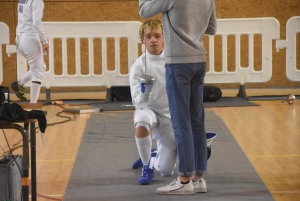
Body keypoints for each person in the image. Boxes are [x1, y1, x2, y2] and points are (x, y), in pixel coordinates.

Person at [138, 0, 217, 195]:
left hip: (178, 64)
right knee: (197, 121)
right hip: (199, 61)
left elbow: (143, 10)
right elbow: (212, 28)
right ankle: (199, 179)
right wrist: (191, 27)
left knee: (181, 122)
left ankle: (184, 180)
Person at [129, 18, 177, 185]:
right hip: (149, 112)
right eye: (148, 36)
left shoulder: (173, 61)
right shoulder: (138, 66)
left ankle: (154, 156)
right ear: (143, 39)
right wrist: (146, 91)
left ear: (164, 37)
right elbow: (138, 103)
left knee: (166, 171)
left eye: (157, 35)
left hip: (169, 116)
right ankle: (146, 166)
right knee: (140, 119)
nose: (153, 40)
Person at [11, 0, 49, 103]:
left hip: (20, 39)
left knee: (41, 66)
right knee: (38, 73)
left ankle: (20, 83)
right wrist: (45, 41)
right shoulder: (37, 1)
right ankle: (33, 106)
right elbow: (37, 22)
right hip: (30, 38)